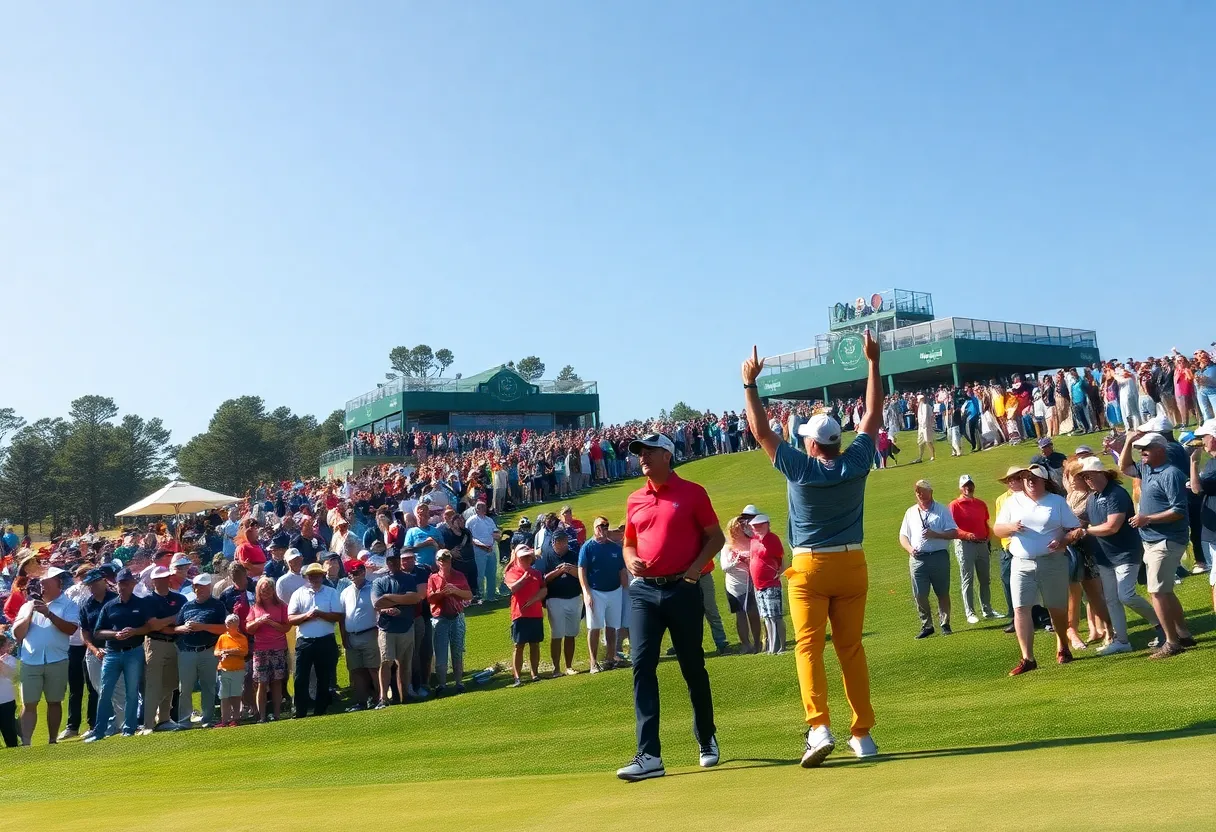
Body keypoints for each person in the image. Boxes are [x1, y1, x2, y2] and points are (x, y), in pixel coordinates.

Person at [742, 336, 881, 767]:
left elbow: (761, 432)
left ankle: (819, 727)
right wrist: (873, 363)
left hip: (810, 566)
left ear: (815, 445)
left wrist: (750, 385)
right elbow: (872, 415)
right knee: (851, 650)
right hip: (852, 563)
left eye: (806, 439)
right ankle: (863, 735)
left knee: (808, 648)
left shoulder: (801, 467)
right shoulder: (856, 461)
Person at [615, 432, 724, 782]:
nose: (642, 457)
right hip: (644, 592)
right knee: (641, 666)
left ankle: (706, 737)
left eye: (650, 451)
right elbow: (629, 543)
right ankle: (649, 755)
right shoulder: (635, 498)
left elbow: (716, 537)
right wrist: (630, 559)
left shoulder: (692, 493)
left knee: (692, 666)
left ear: (667, 455)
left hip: (683, 588)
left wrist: (694, 571)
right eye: (640, 453)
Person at [993, 464, 1083, 675]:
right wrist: (1011, 527)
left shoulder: (1056, 501)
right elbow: (997, 529)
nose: (1031, 481)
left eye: (1035, 478)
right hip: (1021, 562)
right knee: (1020, 608)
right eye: (1027, 478)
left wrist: (1063, 540)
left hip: (1052, 561)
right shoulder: (1012, 501)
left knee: (1056, 608)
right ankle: (1028, 658)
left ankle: (1063, 645)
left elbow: (1076, 529)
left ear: (1044, 481)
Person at [1118, 431, 1195, 657]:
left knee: (1157, 592)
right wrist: (1128, 441)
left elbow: (1179, 511)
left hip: (1166, 540)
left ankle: (1171, 642)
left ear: (1160, 450)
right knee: (1165, 591)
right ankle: (1183, 634)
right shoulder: (1147, 469)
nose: (1142, 452)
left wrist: (1147, 519)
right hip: (1153, 540)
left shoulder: (1171, 474)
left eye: (1146, 448)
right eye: (1140, 449)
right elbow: (1124, 467)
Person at [1080, 455, 1158, 655]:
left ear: (1101, 473)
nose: (1087, 480)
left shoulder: (1116, 493)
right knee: (1111, 599)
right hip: (1104, 556)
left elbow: (1112, 526)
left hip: (1125, 552)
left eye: (1090, 475)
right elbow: (1086, 521)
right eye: (1085, 477)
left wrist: (1086, 531)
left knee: (1126, 595)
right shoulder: (1092, 498)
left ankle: (1161, 623)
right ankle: (1122, 641)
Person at [12, 566, 79, 745]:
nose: (42, 586)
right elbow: (18, 634)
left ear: (58, 583)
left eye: (46, 583)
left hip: (57, 659)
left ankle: (52, 740)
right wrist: (29, 614)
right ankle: (26, 743)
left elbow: (71, 629)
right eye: (41, 583)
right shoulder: (27, 606)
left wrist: (49, 614)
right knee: (29, 703)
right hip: (30, 661)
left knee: (54, 701)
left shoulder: (69, 605)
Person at [87, 568, 152, 741]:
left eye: (126, 583)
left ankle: (129, 729)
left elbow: (149, 627)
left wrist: (135, 631)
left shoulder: (141, 604)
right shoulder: (109, 606)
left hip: (134, 652)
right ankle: (99, 731)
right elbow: (98, 632)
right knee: (105, 692)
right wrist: (115, 634)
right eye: (120, 584)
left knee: (132, 692)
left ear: (133, 584)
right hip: (112, 653)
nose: (122, 587)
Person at [898, 480, 958, 638]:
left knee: (942, 592)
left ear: (931, 492)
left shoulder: (941, 510)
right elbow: (903, 536)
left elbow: (953, 532)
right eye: (917, 491)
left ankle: (945, 623)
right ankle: (927, 625)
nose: (920, 494)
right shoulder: (911, 512)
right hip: (918, 558)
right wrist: (910, 549)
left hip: (938, 556)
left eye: (923, 490)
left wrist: (935, 534)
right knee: (920, 594)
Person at [286, 562, 344, 717]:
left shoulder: (331, 592)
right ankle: (300, 711)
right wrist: (307, 616)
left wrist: (320, 614)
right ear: (306, 577)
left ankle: (321, 710)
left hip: (325, 640)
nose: (315, 578)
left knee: (324, 677)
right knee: (300, 677)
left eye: (318, 575)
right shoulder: (298, 593)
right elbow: (291, 618)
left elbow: (338, 616)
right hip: (305, 641)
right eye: (311, 576)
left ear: (323, 576)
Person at [370, 547, 425, 706]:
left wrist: (388, 597)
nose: (393, 563)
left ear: (399, 561)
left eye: (395, 560)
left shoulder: (408, 579)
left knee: (405, 663)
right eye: (390, 560)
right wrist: (398, 600)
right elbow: (377, 603)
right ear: (386, 562)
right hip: (386, 628)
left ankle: (404, 695)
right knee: (386, 662)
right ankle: (383, 698)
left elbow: (415, 598)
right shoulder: (379, 581)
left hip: (406, 625)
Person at [173, 573, 227, 729]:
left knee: (208, 686)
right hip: (187, 651)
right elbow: (175, 628)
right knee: (185, 688)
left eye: (203, 586)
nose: (200, 589)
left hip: (208, 650)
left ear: (209, 587)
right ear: (193, 588)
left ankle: (207, 719)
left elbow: (224, 628)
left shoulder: (217, 605)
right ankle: (184, 721)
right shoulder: (187, 606)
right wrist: (184, 628)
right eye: (197, 587)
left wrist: (202, 627)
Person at [579, 516, 629, 671]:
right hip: (595, 591)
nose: (603, 529)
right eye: (600, 526)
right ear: (595, 528)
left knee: (612, 627)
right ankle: (593, 662)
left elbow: (622, 570)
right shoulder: (588, 547)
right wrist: (586, 592)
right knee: (594, 627)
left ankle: (610, 657)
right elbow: (582, 571)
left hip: (614, 591)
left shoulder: (615, 548)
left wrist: (626, 590)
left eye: (606, 527)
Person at [77, 568, 123, 740]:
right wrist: (94, 650)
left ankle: (123, 724)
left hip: (115, 651)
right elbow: (85, 632)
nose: (93, 587)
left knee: (119, 689)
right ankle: (110, 725)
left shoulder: (116, 600)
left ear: (104, 581)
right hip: (94, 653)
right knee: (102, 691)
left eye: (95, 583)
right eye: (90, 585)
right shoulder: (86, 605)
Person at [141, 564, 187, 733]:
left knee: (170, 682)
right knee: (153, 683)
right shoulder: (148, 600)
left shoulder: (180, 599)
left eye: (165, 577)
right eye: (159, 579)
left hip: (175, 643)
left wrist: (166, 625)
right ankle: (148, 723)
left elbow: (184, 621)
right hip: (155, 643)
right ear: (153, 581)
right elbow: (153, 625)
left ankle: (164, 719)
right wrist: (173, 619)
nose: (163, 581)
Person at [949, 474, 1001, 623]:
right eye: (965, 485)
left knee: (985, 579)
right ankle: (970, 612)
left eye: (970, 485)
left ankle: (987, 610)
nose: (968, 488)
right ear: (960, 488)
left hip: (982, 544)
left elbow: (985, 523)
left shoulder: (980, 504)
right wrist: (966, 535)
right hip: (965, 545)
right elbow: (951, 527)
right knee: (968, 578)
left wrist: (988, 536)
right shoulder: (955, 505)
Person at [539, 530, 583, 677]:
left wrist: (570, 570)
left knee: (571, 633)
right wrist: (559, 571)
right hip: (555, 599)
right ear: (553, 542)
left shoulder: (574, 555)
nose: (562, 544)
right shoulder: (547, 556)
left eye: (564, 541)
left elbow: (581, 575)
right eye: (559, 541)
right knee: (557, 633)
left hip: (574, 598)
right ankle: (556, 669)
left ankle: (569, 666)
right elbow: (544, 579)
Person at [427, 549, 472, 692]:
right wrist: (441, 593)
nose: (443, 562)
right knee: (441, 653)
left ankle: (459, 683)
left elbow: (469, 595)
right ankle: (442, 685)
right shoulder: (433, 578)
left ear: (450, 560)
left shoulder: (459, 575)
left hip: (457, 617)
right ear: (437, 561)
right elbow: (430, 599)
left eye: (446, 559)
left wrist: (454, 590)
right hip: (440, 618)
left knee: (457, 651)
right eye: (440, 559)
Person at [246, 576, 290, 722]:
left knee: (277, 681)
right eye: (263, 590)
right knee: (261, 682)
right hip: (260, 650)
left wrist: (271, 622)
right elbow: (249, 628)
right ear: (258, 591)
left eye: (269, 589)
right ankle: (262, 717)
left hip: (278, 648)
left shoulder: (282, 606)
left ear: (273, 590)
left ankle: (277, 715)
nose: (266, 592)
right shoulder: (255, 607)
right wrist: (258, 621)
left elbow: (286, 627)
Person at [338, 561, 379, 711]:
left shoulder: (373, 588)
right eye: (350, 573)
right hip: (351, 636)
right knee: (356, 670)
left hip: (370, 633)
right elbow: (342, 618)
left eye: (356, 572)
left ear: (363, 572)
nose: (353, 576)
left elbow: (379, 611)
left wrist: (379, 632)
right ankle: (361, 702)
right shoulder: (345, 592)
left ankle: (380, 698)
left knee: (373, 668)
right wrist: (344, 637)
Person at [504, 544, 546, 687]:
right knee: (519, 645)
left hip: (535, 613)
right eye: (523, 557)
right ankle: (517, 677)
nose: (526, 560)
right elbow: (512, 588)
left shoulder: (537, 573)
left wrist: (535, 599)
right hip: (520, 614)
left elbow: (544, 589)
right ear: (517, 558)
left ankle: (535, 674)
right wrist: (523, 578)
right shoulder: (511, 572)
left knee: (535, 644)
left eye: (528, 557)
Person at [718, 516, 761, 654]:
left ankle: (757, 643)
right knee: (740, 615)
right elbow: (725, 567)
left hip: (753, 584)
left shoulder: (752, 543)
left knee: (753, 613)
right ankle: (746, 644)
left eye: (744, 526)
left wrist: (750, 560)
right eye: (739, 528)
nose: (743, 529)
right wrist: (737, 560)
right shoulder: (727, 548)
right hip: (735, 587)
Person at [747, 514, 786, 653]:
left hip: (771, 583)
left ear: (767, 525)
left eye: (761, 525)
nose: (757, 528)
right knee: (767, 616)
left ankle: (781, 646)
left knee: (775, 616)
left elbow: (782, 557)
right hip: (758, 585)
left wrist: (780, 572)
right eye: (755, 526)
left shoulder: (772, 539)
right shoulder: (753, 540)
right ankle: (772, 647)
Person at [1188, 420, 1216, 609]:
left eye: (1203, 437)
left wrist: (1194, 463)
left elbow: (1197, 488)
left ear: (1213, 438)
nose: (1201, 441)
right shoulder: (1212, 463)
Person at [214, 614, 249, 728]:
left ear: (237, 624)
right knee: (224, 696)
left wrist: (229, 652)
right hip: (224, 669)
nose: (228, 624)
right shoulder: (222, 637)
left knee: (235, 694)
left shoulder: (242, 638)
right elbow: (216, 652)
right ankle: (224, 720)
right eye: (227, 622)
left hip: (238, 670)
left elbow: (243, 652)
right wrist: (222, 653)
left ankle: (236, 718)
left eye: (231, 622)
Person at [466, 501, 499, 603]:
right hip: (479, 551)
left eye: (485, 507)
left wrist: (497, 536)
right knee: (480, 575)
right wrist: (482, 546)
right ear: (476, 509)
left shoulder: (489, 520)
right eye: (481, 507)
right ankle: (480, 596)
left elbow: (495, 532)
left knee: (491, 573)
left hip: (491, 550)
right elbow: (470, 537)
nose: (484, 509)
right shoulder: (471, 521)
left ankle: (491, 595)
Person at [0, 634, 18, 747]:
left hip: (7, 702)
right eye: (7, 644)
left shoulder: (10, 660)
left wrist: (1, 664)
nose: (9, 647)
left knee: (9, 732)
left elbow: (13, 676)